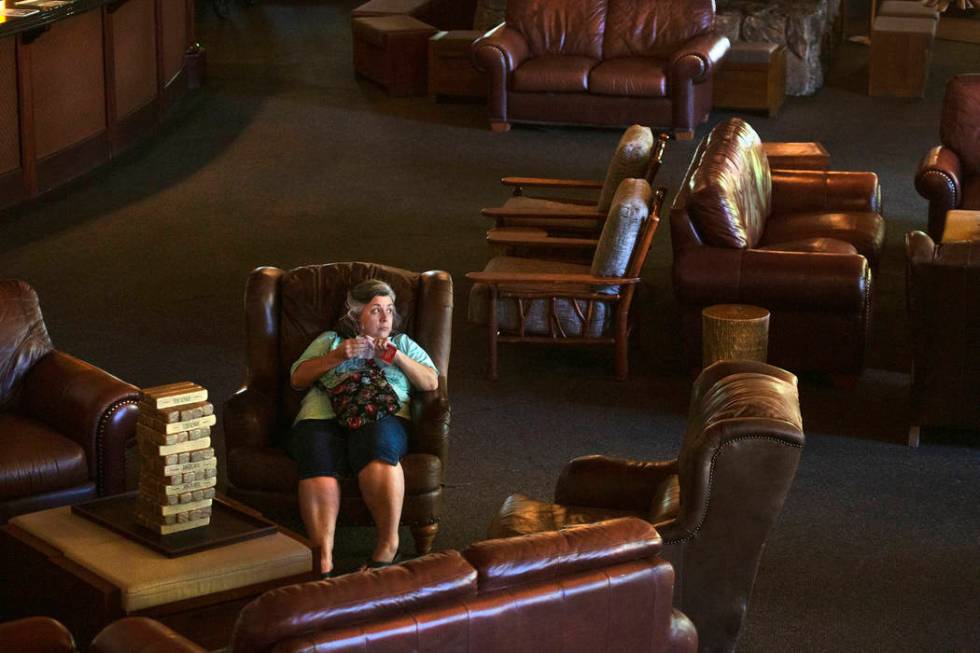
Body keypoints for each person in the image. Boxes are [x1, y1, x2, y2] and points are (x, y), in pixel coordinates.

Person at [285, 279, 438, 577]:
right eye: (376, 311)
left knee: (379, 446)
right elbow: (297, 378)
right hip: (325, 411)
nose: (385, 319)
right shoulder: (331, 340)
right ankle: (323, 556)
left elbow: (430, 381)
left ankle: (387, 545)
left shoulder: (402, 342)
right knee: (317, 454)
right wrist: (337, 356)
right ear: (356, 315)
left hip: (381, 412)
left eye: (389, 311)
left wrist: (396, 357)